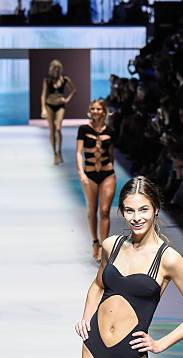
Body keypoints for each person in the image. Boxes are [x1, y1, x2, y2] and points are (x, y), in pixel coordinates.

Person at [75, 176, 183, 358]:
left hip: (131, 354)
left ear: (156, 209)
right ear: (123, 212)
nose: (136, 218)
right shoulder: (111, 245)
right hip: (94, 348)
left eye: (143, 209)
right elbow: (98, 285)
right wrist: (86, 317)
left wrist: (161, 343)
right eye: (129, 210)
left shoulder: (169, 259)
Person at [76, 100, 116, 261]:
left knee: (105, 211)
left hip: (107, 173)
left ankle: (104, 247)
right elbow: (79, 152)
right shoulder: (83, 129)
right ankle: (95, 242)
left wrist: (112, 170)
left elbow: (112, 152)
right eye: (92, 108)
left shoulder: (111, 130)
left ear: (104, 111)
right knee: (92, 210)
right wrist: (81, 173)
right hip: (90, 173)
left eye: (98, 108)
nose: (95, 111)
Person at [41, 59, 76, 165]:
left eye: (58, 68)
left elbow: (74, 90)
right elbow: (43, 95)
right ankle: (54, 154)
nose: (56, 70)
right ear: (51, 69)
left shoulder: (65, 79)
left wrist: (67, 99)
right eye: (54, 68)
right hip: (49, 105)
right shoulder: (47, 80)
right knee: (52, 130)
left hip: (60, 106)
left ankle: (59, 151)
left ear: (60, 69)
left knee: (58, 128)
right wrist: (43, 108)